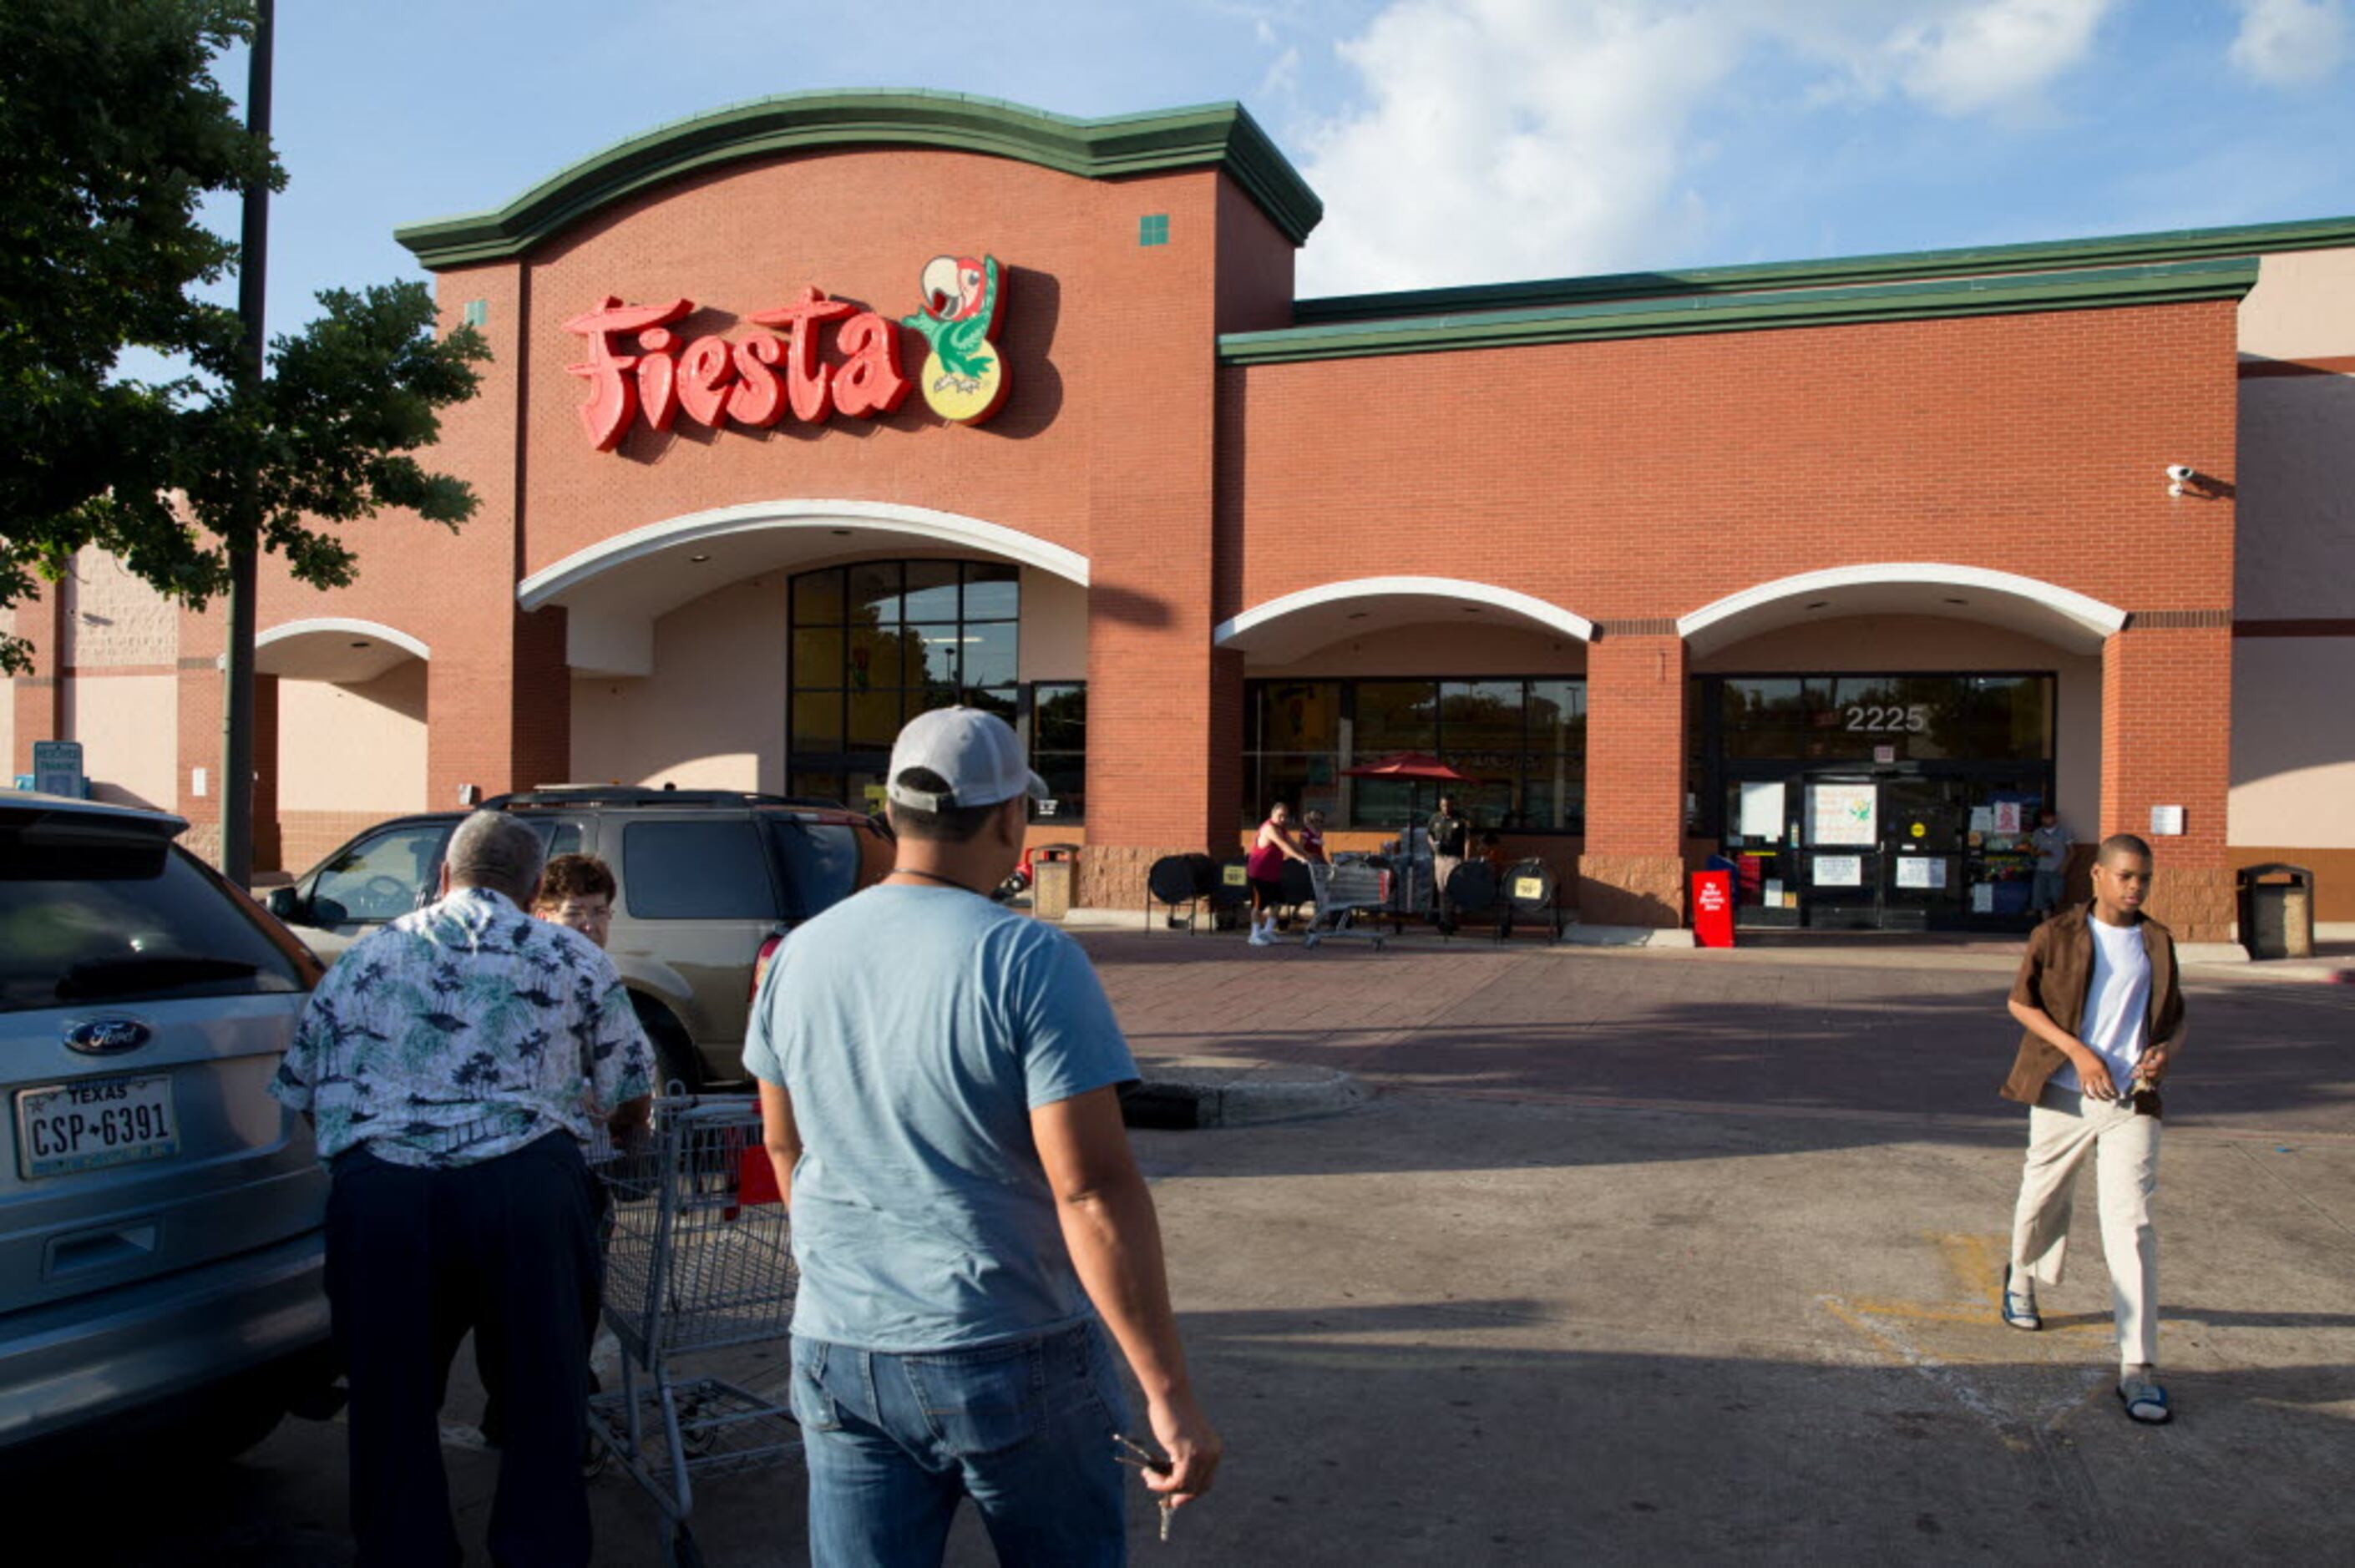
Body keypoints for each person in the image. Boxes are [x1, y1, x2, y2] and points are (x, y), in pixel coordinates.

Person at [746, 707, 1219, 1565]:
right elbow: (1091, 1190)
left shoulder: (795, 957)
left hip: (839, 1345)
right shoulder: (1028, 958)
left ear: (891, 815)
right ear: (1011, 819)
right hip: (1008, 1343)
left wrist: (845, 1266)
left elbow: (785, 1145)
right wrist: (1168, 1393)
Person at [271, 812, 655, 1566]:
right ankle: (535, 1552)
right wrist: (623, 1133)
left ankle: (405, 1552)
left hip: (382, 1193)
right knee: (543, 1395)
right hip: (524, 1187)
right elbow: (630, 1083)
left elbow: (304, 1082)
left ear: (443, 876)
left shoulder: (368, 953)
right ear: (532, 885)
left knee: (390, 1399)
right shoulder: (569, 954)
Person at [1997, 833, 2185, 1425]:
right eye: (2126, 876)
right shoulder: (2056, 934)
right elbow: (2021, 1004)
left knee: (2132, 1227)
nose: (2136, 888)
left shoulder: (2156, 941)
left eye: (2145, 879)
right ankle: (2022, 1278)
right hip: (2062, 1094)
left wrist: (2164, 1054)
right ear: (2098, 875)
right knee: (2043, 1201)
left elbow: (2177, 1019)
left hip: (2132, 1101)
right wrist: (2078, 1054)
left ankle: (2139, 1369)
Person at [1245, 800, 1310, 947]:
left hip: (1273, 875)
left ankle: (1267, 932)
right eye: (1280, 816)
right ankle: (1254, 935)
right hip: (1258, 874)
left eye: (1285, 816)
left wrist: (1307, 855)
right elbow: (1283, 845)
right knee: (1258, 906)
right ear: (1272, 814)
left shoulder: (1282, 829)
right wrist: (1300, 858)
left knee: (1277, 904)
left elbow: (1292, 843)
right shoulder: (1269, 828)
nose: (1283, 819)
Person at [533, 852, 616, 948]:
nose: (589, 927)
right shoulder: (520, 962)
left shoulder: (604, 963)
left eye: (600, 912)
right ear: (542, 918)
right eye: (574, 913)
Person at [1426, 793, 1470, 929]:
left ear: (1453, 805)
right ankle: (1443, 919)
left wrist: (1466, 860)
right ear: (1440, 805)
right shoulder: (1435, 818)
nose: (1446, 808)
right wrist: (1432, 844)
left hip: (1454, 858)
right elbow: (1429, 834)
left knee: (1452, 888)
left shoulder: (1461, 819)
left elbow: (1467, 840)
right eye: (1444, 805)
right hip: (1440, 858)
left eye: (1449, 805)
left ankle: (1452, 919)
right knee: (1441, 889)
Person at [2028, 807, 2074, 916]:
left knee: (2057, 899)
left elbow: (2072, 852)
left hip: (2057, 871)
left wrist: (2064, 867)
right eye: (2043, 818)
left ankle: (2058, 927)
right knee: (2041, 900)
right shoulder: (2038, 833)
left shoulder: (2064, 832)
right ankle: (2046, 927)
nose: (2046, 820)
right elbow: (2032, 851)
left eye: (2048, 817)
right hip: (2041, 870)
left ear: (2055, 818)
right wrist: (2039, 853)